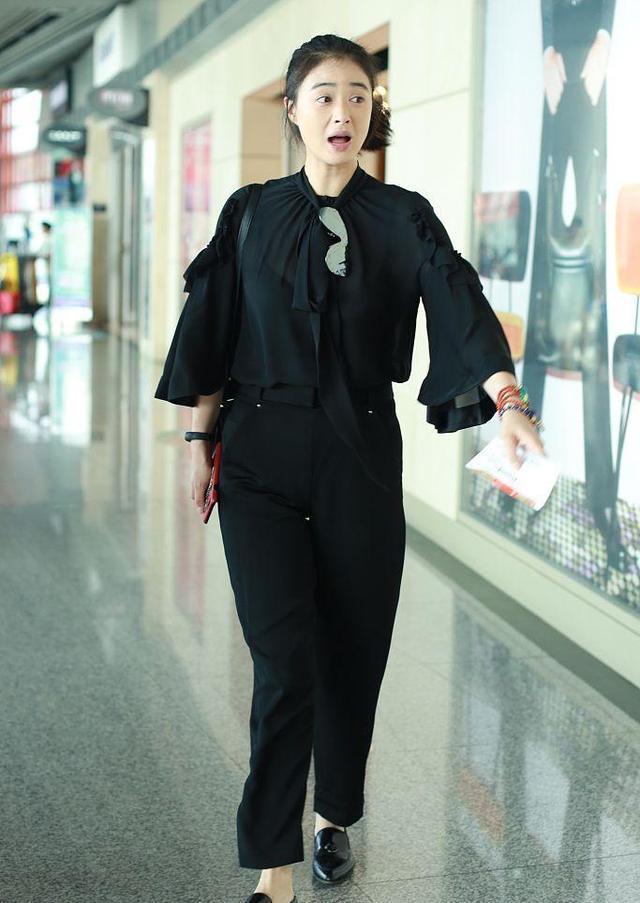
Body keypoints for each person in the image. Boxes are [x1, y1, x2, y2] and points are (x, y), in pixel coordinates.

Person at [154, 33, 545, 903]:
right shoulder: (249, 212)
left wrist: (509, 401)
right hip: (257, 455)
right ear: (294, 109)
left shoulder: (402, 216)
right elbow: (212, 331)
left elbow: (457, 296)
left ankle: (332, 814)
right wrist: (198, 442)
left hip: (359, 455)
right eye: (325, 95)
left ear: (374, 113)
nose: (343, 111)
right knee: (282, 661)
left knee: (353, 648)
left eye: (360, 96)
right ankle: (274, 865)